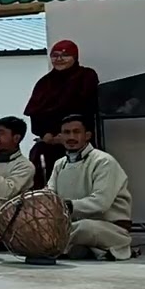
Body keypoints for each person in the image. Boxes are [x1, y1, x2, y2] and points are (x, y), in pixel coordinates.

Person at [46, 114, 134, 261]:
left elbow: (101, 202)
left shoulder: (104, 161)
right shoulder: (59, 164)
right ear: (61, 136)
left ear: (87, 135)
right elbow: (50, 194)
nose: (71, 137)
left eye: (76, 132)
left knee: (85, 227)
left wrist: (66, 206)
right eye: (66, 133)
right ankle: (84, 249)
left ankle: (49, 247)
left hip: (108, 228)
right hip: (72, 226)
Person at [24, 40, 99, 189]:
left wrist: (67, 135)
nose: (59, 59)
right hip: (49, 143)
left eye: (65, 55)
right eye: (55, 55)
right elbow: (36, 113)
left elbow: (89, 108)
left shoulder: (85, 76)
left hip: (78, 142)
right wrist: (45, 134)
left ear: (75, 57)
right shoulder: (44, 83)